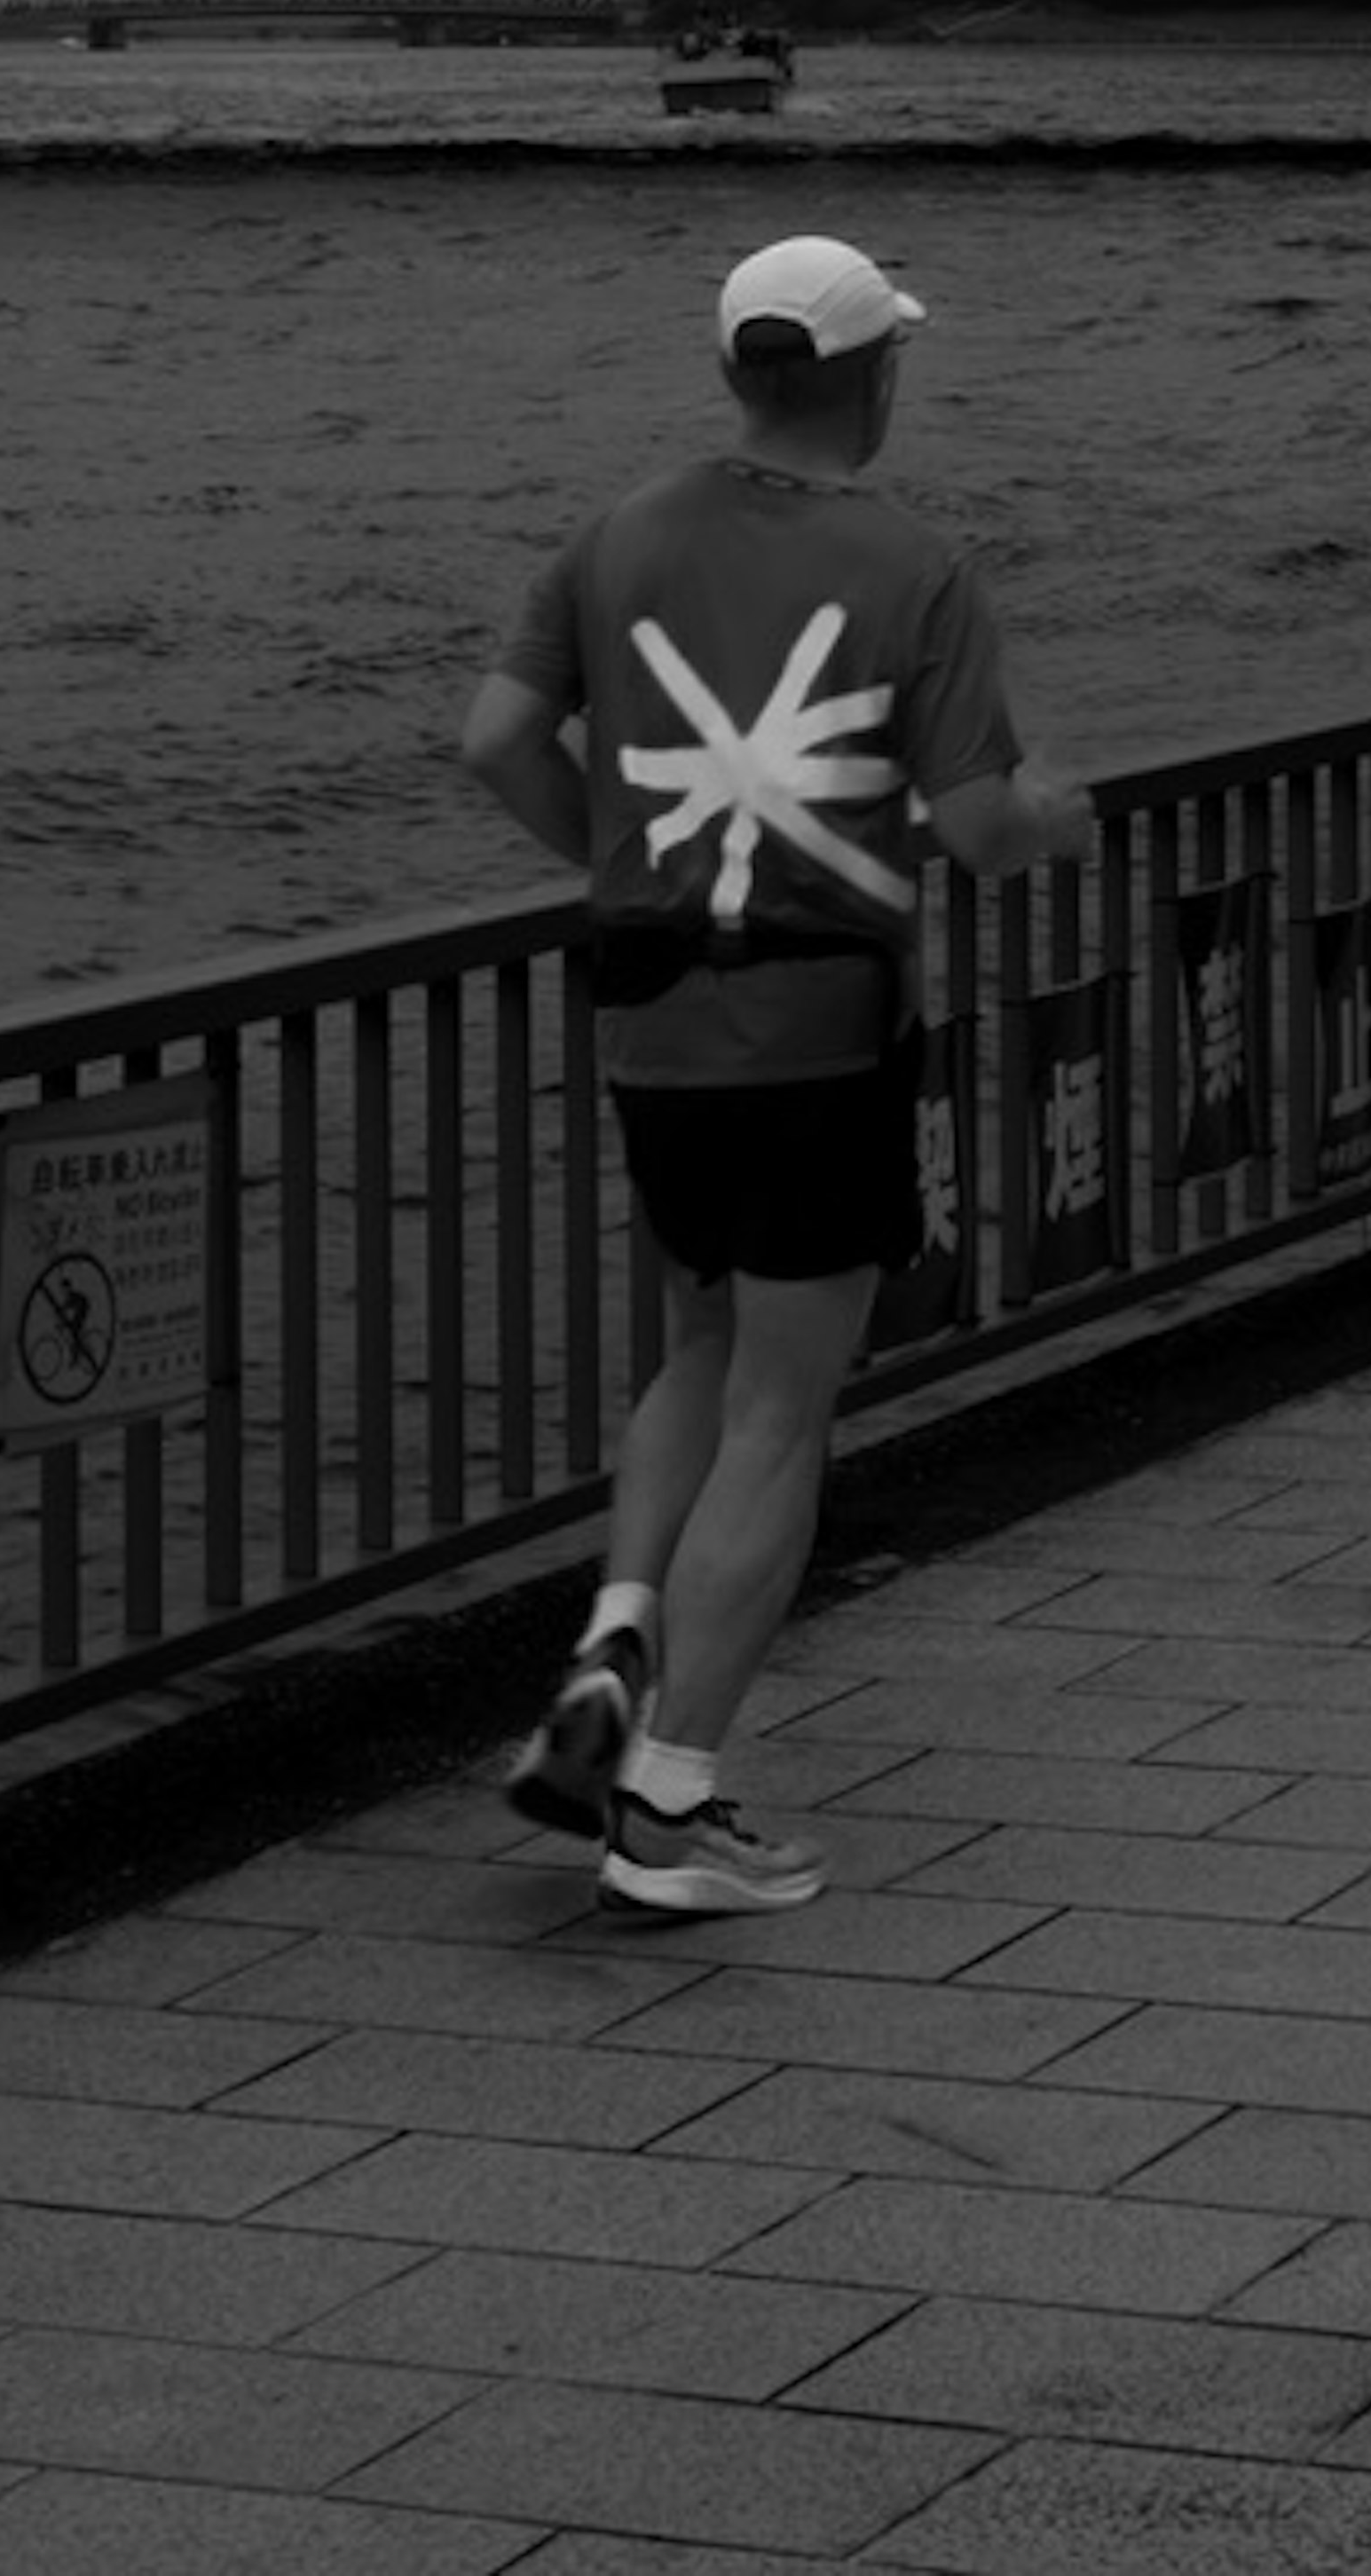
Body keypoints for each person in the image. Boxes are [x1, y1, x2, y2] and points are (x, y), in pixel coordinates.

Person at [459, 230, 1097, 1918]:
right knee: (784, 1411)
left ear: (742, 370)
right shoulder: (917, 567)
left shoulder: (617, 537)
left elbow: (496, 741)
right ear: (875, 373)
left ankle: (615, 1638)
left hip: (654, 1026)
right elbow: (974, 827)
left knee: (697, 1341)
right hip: (821, 1033)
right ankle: (669, 1805)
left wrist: (612, 860)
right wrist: (1054, 820)